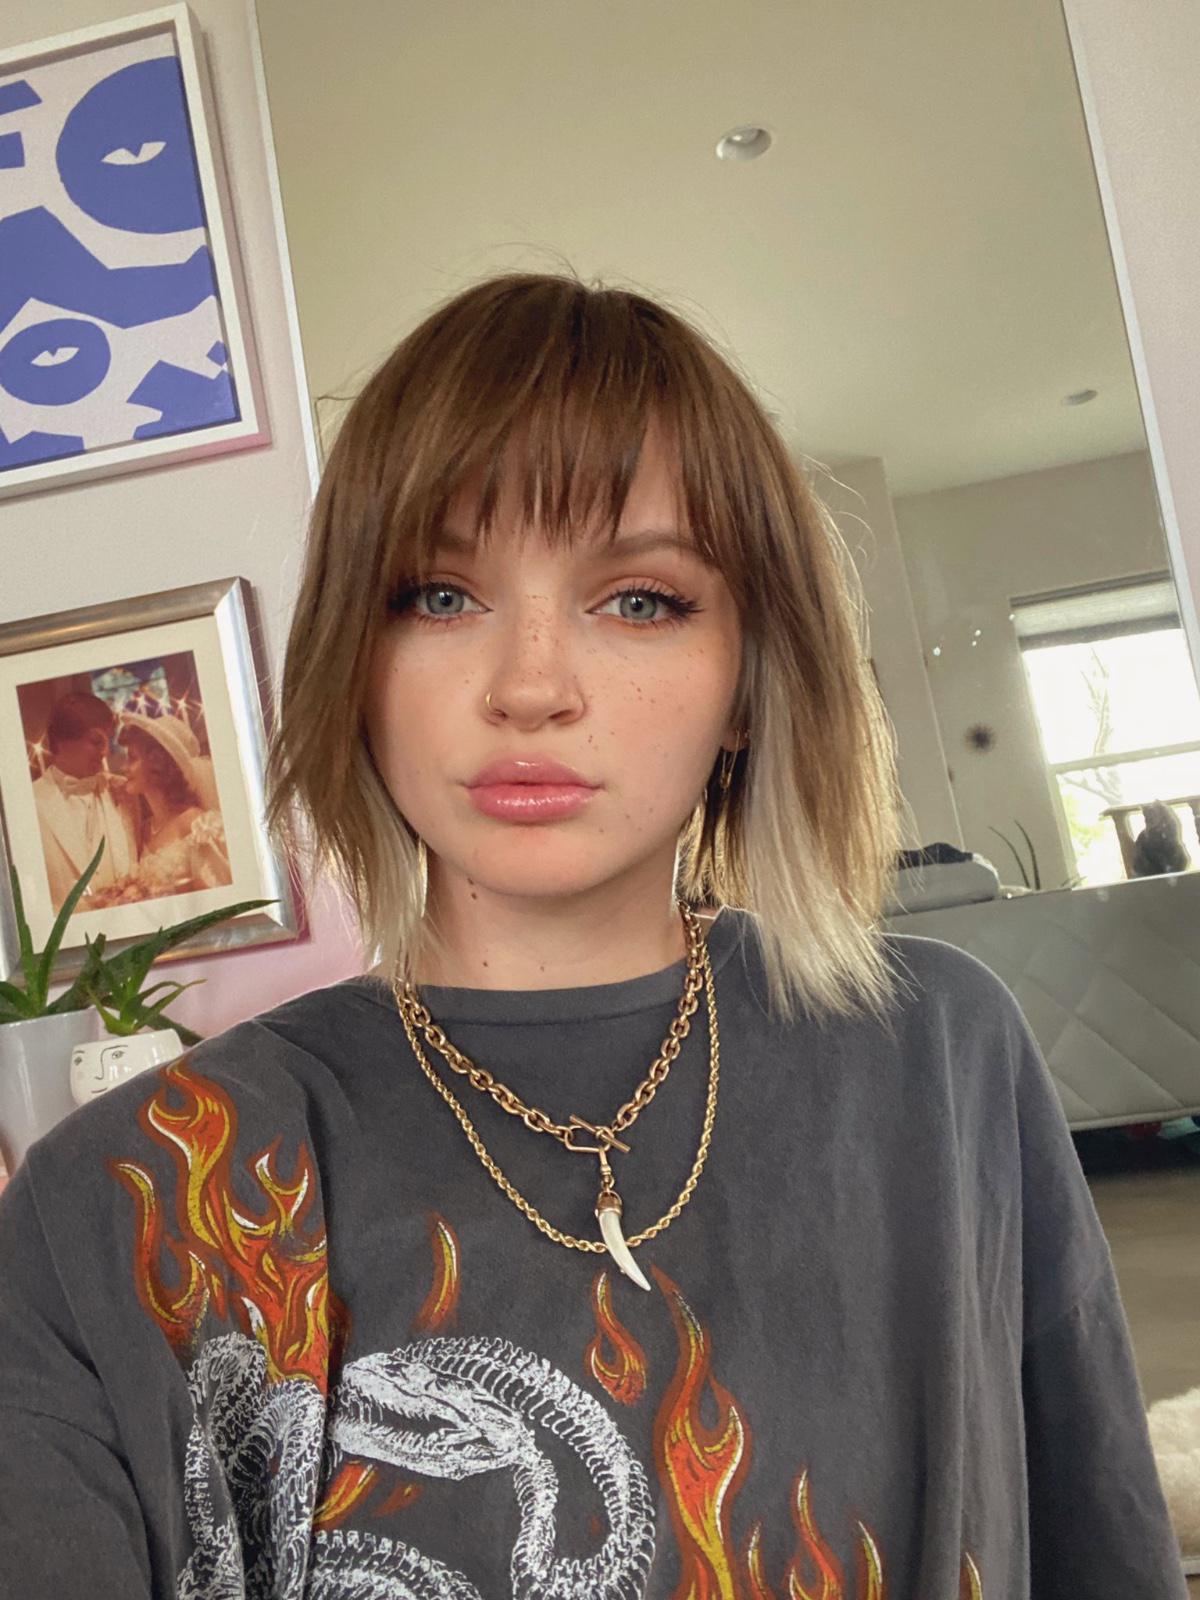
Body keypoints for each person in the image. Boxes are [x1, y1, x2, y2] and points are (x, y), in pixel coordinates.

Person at [0, 274, 1187, 1598]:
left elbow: (1100, 1541)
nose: (530, 686)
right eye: (437, 595)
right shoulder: (131, 1197)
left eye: (641, 600)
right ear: (354, 662)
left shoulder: (942, 1055)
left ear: (750, 677)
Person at [29, 688, 138, 911]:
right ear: (62, 742)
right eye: (96, 741)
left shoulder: (122, 792)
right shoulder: (29, 805)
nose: (105, 752)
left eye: (108, 742)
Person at [106, 711, 231, 902]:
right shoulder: (143, 830)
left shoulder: (197, 825)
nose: (124, 768)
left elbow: (220, 897)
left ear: (157, 763)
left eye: (132, 758)